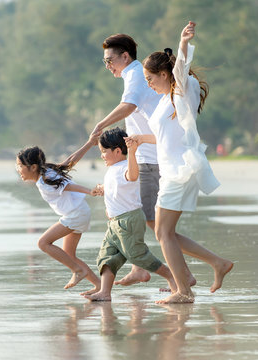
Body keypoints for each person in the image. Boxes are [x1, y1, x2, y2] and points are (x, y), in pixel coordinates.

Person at [126, 21, 233, 303]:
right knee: (166, 232)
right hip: (172, 168)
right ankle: (216, 264)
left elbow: (181, 68)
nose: (148, 84)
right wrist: (140, 140)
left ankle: (183, 291)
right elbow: (166, 138)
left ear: (164, 74)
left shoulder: (181, 91)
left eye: (151, 79)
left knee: (162, 231)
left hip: (181, 170)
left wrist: (183, 42)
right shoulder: (164, 100)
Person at [90, 33, 179, 287]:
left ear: (125, 56)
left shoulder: (135, 75)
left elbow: (128, 105)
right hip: (147, 156)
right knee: (143, 216)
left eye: (110, 60)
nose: (108, 66)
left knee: (156, 224)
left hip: (151, 159)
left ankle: (184, 274)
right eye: (105, 62)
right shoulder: (134, 74)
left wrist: (101, 124)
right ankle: (141, 269)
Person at [84, 127, 177, 302]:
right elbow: (115, 187)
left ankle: (172, 276)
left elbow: (133, 176)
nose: (102, 155)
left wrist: (133, 152)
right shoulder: (112, 169)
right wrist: (102, 190)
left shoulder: (125, 167)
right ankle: (105, 292)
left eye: (104, 152)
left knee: (137, 255)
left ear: (118, 151)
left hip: (129, 221)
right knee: (106, 256)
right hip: (114, 224)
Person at [15, 138, 101, 294]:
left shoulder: (44, 181)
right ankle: (98, 285)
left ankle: (77, 271)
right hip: (79, 212)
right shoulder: (47, 172)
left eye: (20, 166)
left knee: (43, 243)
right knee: (69, 254)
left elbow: (68, 186)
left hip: (75, 215)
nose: (18, 169)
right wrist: (89, 143)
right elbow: (69, 162)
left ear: (33, 167)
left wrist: (90, 191)